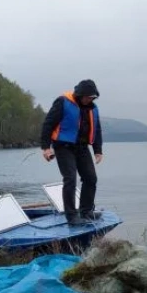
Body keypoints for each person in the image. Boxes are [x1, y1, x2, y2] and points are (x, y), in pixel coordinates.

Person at [40, 79, 104, 226]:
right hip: (63, 146)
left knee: (91, 178)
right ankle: (72, 216)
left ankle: (86, 211)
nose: (90, 99)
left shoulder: (93, 109)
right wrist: (46, 147)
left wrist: (98, 151)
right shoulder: (62, 102)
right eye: (88, 97)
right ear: (80, 94)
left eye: (92, 97)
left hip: (82, 147)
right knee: (70, 179)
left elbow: (97, 130)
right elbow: (48, 124)